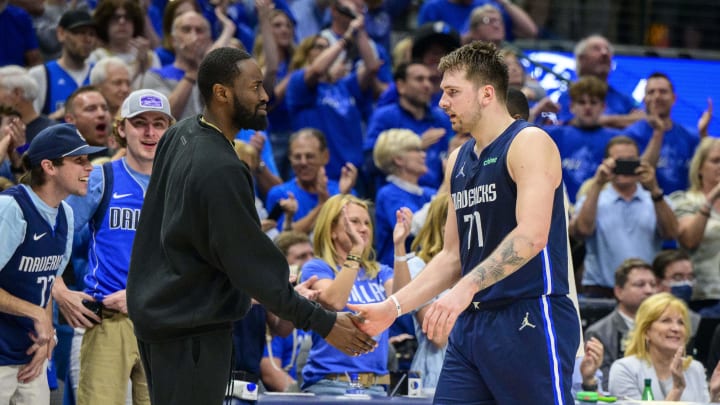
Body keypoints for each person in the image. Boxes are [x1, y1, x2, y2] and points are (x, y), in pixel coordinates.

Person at [125, 47, 376, 405]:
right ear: (222, 93)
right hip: (191, 330)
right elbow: (250, 265)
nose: (265, 96)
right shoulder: (222, 168)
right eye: (255, 87)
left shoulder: (179, 134)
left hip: (161, 319)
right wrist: (324, 323)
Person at [349, 41, 581, 403]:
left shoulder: (529, 141)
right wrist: (392, 307)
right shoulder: (457, 160)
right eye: (443, 92)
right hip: (471, 323)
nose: (442, 102)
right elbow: (451, 257)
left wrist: (464, 288)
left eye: (452, 92)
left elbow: (532, 236)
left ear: (487, 94)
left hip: (527, 314)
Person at [54, 89, 174, 405]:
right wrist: (60, 290)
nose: (150, 132)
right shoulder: (101, 178)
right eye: (140, 123)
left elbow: (195, 261)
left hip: (164, 322)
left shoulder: (183, 186)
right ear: (121, 128)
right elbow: (51, 234)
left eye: (159, 123)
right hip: (108, 321)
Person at [0, 123, 104, 404]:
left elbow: (45, 284)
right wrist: (37, 314)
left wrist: (46, 333)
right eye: (79, 161)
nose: (90, 168)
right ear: (49, 166)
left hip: (31, 354)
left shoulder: (66, 215)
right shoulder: (12, 208)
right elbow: (38, 305)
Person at [299, 194, 412, 394]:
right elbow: (334, 301)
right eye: (354, 222)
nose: (363, 228)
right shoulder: (316, 268)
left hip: (376, 387)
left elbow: (404, 300)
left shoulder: (378, 271)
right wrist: (356, 250)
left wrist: (399, 244)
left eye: (367, 223)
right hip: (330, 386)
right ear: (332, 230)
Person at [570, 135, 677, 297]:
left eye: (631, 161)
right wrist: (598, 183)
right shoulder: (593, 199)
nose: (625, 166)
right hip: (601, 290)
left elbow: (671, 234)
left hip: (646, 290)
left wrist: (654, 189)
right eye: (619, 161)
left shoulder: (656, 200)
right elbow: (583, 231)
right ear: (606, 163)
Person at [608, 292, 720, 402]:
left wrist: (714, 396)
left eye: (681, 322)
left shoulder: (695, 369)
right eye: (666, 321)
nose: (676, 328)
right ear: (646, 331)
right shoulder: (625, 370)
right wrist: (676, 390)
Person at [584, 258, 658, 391]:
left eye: (653, 284)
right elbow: (605, 385)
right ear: (619, 292)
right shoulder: (599, 332)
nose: (649, 290)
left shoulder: (666, 327)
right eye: (640, 284)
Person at [544, 76, 620, 204]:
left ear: (603, 106)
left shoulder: (616, 140)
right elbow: (517, 133)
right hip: (560, 210)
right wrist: (537, 109)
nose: (588, 107)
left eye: (593, 102)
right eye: (582, 102)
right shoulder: (553, 134)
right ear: (572, 106)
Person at [265, 128, 357, 233]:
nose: (303, 162)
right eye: (297, 157)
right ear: (290, 158)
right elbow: (283, 240)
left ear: (325, 156)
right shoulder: (280, 194)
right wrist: (322, 205)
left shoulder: (342, 190)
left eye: (310, 156)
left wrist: (342, 195)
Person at [625, 72, 702, 195]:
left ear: (674, 98)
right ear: (644, 99)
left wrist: (704, 135)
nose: (657, 97)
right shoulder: (630, 136)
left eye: (663, 92)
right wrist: (658, 132)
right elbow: (637, 176)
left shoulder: (691, 137)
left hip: (683, 206)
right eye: (651, 92)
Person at [668, 137, 720, 311]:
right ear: (699, 168)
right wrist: (712, 197)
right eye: (716, 161)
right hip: (702, 299)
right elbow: (689, 240)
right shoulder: (685, 201)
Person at [372, 129, 435, 266]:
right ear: (398, 159)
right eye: (416, 150)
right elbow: (413, 227)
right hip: (397, 274)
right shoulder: (388, 193)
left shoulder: (428, 192)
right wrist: (447, 187)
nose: (423, 155)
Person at [555, 35, 643, 129]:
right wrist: (623, 120)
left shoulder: (623, 99)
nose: (604, 53)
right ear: (581, 59)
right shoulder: (568, 97)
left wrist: (602, 120)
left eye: (607, 49)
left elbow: (642, 119)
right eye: (596, 49)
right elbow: (570, 124)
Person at [28, 10, 97, 120]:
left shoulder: (99, 73)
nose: (87, 39)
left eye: (91, 34)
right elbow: (31, 126)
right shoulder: (41, 74)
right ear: (61, 33)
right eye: (80, 32)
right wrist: (59, 115)